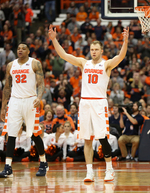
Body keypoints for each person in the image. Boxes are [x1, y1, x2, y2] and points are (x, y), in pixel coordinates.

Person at [48, 24, 129, 182]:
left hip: (99, 103)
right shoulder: (83, 63)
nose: (93, 52)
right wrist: (54, 40)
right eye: (92, 49)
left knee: (103, 137)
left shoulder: (106, 64)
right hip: (85, 103)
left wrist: (125, 42)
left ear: (101, 51)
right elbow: (64, 55)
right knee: (87, 139)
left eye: (96, 49)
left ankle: (109, 170)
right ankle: (89, 172)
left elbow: (120, 57)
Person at [0, 42, 48, 178]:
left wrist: (39, 97)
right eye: (18, 48)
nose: (20, 50)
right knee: (11, 133)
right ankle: (8, 167)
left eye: (23, 48)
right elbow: (7, 87)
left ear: (28, 51)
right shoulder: (11, 65)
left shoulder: (34, 63)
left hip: (30, 100)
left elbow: (41, 83)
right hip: (14, 101)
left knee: (34, 133)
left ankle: (43, 162)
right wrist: (3, 107)